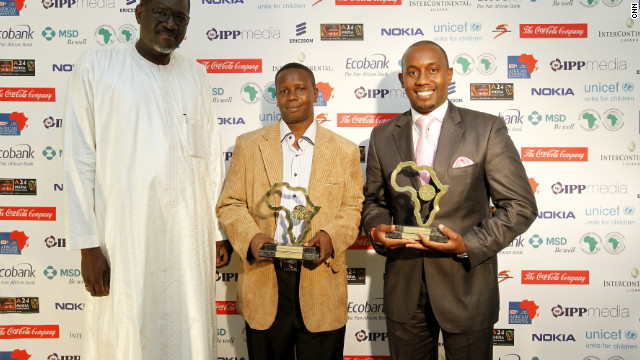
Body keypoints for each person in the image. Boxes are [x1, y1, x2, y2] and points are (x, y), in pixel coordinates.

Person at [64, 0, 231, 358]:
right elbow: (79, 159)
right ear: (140, 13)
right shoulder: (97, 67)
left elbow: (211, 156)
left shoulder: (196, 75)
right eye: (162, 13)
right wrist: (88, 243)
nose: (171, 24)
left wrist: (217, 231)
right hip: (124, 236)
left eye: (180, 17)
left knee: (190, 325)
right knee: (129, 326)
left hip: (190, 235)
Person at [361, 40, 538, 360]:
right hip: (404, 290)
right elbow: (374, 202)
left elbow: (520, 206)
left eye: (432, 70)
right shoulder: (381, 136)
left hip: (467, 287)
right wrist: (376, 230)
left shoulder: (486, 129)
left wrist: (468, 244)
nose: (422, 80)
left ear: (449, 75)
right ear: (402, 80)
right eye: (412, 72)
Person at [216, 63, 364, 360]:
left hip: (320, 279)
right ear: (277, 97)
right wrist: (252, 239)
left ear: (314, 94)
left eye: (300, 89)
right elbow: (230, 203)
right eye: (284, 90)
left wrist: (329, 236)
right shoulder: (248, 145)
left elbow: (352, 208)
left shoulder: (344, 150)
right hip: (265, 279)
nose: (292, 96)